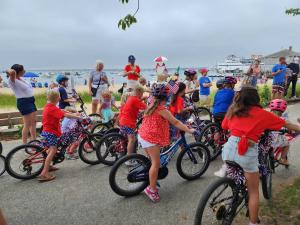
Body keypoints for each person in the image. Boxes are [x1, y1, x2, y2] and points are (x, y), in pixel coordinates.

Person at [220, 86, 300, 225]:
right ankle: (253, 223)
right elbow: (286, 124)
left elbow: (224, 126)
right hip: (246, 151)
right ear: (255, 99)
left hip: (228, 149)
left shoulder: (233, 110)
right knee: (253, 192)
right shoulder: (262, 113)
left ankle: (236, 192)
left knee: (238, 173)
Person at [138, 84, 195, 202]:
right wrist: (189, 130)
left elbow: (171, 89)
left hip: (143, 135)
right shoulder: (162, 109)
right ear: (166, 98)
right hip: (150, 138)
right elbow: (176, 122)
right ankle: (151, 189)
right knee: (156, 164)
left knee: (151, 160)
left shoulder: (151, 103)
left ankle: (151, 178)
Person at [38, 90, 81, 182]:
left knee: (49, 149)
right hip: (51, 132)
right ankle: (44, 173)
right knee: (53, 150)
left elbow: (60, 111)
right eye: (59, 97)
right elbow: (66, 115)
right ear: (58, 98)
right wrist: (78, 117)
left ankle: (48, 166)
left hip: (47, 131)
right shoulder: (53, 108)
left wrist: (66, 111)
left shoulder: (49, 106)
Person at [6, 65, 37, 144]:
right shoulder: (11, 80)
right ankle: (24, 144)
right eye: (23, 70)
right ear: (18, 71)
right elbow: (12, 72)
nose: (25, 71)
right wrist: (9, 71)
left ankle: (34, 142)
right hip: (24, 102)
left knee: (33, 123)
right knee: (27, 124)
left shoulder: (21, 78)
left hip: (30, 101)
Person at [119, 85, 146, 162]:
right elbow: (147, 108)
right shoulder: (135, 99)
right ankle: (129, 159)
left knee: (125, 139)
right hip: (128, 123)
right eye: (142, 93)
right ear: (138, 92)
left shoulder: (130, 98)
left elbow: (134, 109)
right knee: (132, 140)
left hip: (123, 121)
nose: (142, 95)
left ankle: (122, 155)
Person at [269, 99, 290, 165]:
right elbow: (289, 127)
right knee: (287, 144)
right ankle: (282, 159)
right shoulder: (284, 118)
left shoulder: (267, 116)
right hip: (277, 140)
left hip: (266, 139)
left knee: (269, 146)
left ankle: (271, 156)